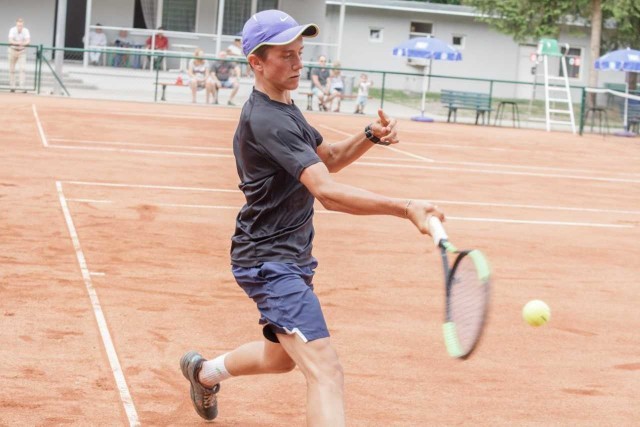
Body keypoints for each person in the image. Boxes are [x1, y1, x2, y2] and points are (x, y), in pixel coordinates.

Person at [179, 9, 445, 426]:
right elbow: (326, 192)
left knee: (280, 358)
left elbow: (331, 160)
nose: (299, 64)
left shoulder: (285, 109)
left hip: (288, 256)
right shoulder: (268, 119)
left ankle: (204, 372)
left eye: (300, 53)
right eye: (287, 55)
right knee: (326, 371)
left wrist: (369, 137)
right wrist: (406, 207)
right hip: (270, 262)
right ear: (256, 62)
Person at [7, 18, 30, 92]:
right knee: (11, 69)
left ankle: (22, 87)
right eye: (18, 25)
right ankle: (12, 87)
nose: (19, 27)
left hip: (22, 51)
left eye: (21, 25)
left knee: (22, 69)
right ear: (16, 24)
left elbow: (28, 41)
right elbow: (10, 40)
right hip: (12, 50)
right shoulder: (12, 30)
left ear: (23, 25)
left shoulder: (26, 30)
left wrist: (22, 44)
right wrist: (18, 43)